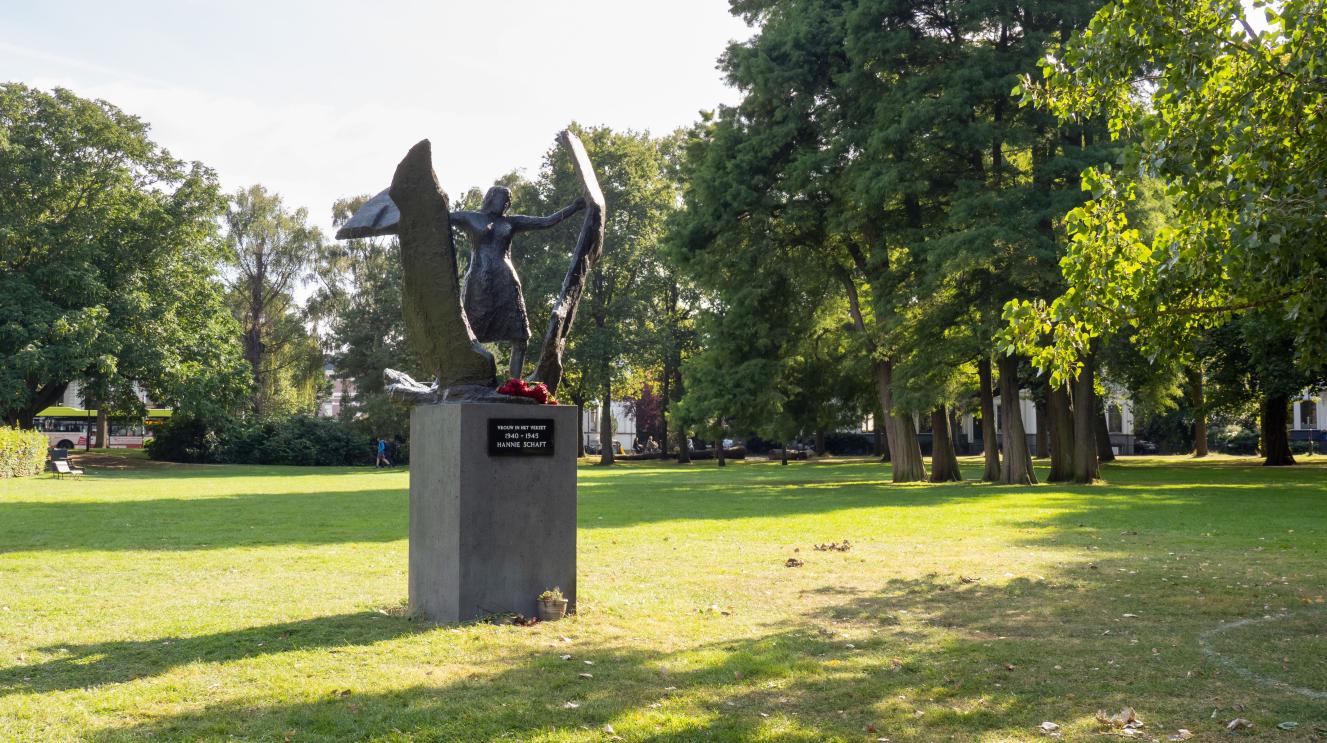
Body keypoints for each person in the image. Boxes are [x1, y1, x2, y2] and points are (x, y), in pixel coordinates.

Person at [449, 187, 585, 379]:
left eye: (508, 201)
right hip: (480, 282)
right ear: (491, 198)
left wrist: (573, 208)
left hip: (506, 280)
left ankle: (514, 385)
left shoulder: (511, 222)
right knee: (467, 333)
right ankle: (458, 378)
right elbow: (440, 217)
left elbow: (546, 221)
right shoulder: (470, 218)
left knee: (520, 337)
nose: (506, 203)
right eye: (503, 198)